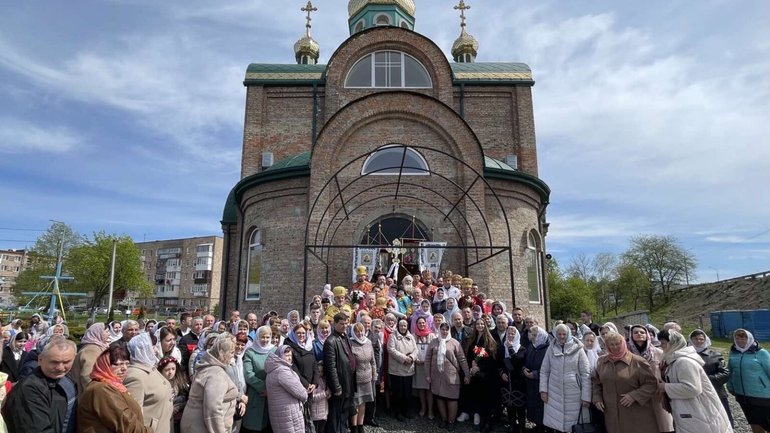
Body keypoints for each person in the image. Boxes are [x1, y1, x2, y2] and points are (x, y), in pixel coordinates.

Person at [657, 330, 733, 433]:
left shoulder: (684, 362)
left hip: (699, 410)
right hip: (692, 409)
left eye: (663, 343)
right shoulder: (674, 360)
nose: (660, 346)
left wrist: (664, 387)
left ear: (673, 343)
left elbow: (692, 389)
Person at [3, 336, 78, 433]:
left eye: (66, 362)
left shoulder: (67, 378)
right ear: (40, 360)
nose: (60, 367)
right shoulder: (29, 389)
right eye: (54, 362)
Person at [592, 331, 657, 433]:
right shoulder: (602, 362)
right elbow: (597, 383)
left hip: (635, 413)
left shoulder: (638, 361)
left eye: (617, 344)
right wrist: (597, 398)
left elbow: (651, 384)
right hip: (612, 413)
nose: (614, 347)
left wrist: (634, 395)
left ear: (623, 344)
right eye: (611, 344)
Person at [77, 345, 152, 433]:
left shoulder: (114, 386)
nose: (124, 368)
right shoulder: (101, 389)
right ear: (104, 365)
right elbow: (126, 423)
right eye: (118, 364)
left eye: (126, 364)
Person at [181, 333, 240, 433]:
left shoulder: (208, 367)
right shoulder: (216, 374)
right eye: (231, 352)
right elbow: (213, 410)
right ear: (222, 353)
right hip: (202, 428)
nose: (232, 356)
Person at [540, 323, 591, 433]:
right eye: (559, 334)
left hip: (574, 393)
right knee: (556, 424)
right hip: (554, 392)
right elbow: (544, 371)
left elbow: (585, 374)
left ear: (568, 334)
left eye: (564, 334)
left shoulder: (578, 349)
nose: (562, 336)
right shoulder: (551, 349)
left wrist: (586, 396)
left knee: (573, 426)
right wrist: (543, 390)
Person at [627, 324, 673, 433]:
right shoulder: (627, 354)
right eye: (636, 332)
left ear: (647, 335)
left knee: (663, 424)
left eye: (642, 332)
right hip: (638, 394)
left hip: (657, 394)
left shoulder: (658, 352)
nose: (639, 334)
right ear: (631, 335)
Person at [124, 332, 174, 433]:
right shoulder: (135, 377)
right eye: (152, 346)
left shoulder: (151, 368)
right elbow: (133, 416)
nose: (156, 350)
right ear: (143, 349)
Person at [424, 322, 469, 430]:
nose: (444, 331)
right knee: (440, 398)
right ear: (439, 330)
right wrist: (427, 375)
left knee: (451, 399)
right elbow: (427, 359)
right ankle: (444, 419)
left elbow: (462, 359)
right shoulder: (434, 342)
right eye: (442, 329)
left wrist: (467, 374)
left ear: (449, 331)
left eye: (446, 330)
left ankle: (451, 421)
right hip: (437, 375)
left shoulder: (455, 343)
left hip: (451, 375)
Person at [727, 328, 770, 433]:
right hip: (743, 396)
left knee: (767, 423)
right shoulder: (733, 353)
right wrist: (731, 386)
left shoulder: (761, 353)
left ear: (749, 338)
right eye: (737, 338)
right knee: (753, 422)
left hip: (762, 396)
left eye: (743, 338)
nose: (740, 341)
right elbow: (730, 372)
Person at [688, 329, 734, 428]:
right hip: (697, 394)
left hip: (717, 392)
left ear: (706, 340)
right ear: (690, 340)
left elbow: (725, 374)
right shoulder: (686, 356)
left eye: (701, 339)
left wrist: (706, 380)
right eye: (695, 339)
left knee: (724, 418)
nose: (699, 341)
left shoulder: (715, 355)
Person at [464, 314, 499, 432]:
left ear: (485, 325)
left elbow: (491, 358)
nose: (480, 325)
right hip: (475, 375)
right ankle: (479, 419)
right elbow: (470, 355)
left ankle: (487, 422)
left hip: (486, 375)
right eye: (478, 324)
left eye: (482, 324)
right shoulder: (473, 339)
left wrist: (479, 367)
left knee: (486, 399)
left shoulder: (489, 340)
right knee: (477, 397)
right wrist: (472, 365)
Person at [324, 312, 357, 433]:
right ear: (334, 324)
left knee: (345, 413)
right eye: (341, 324)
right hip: (340, 384)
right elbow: (330, 367)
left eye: (346, 324)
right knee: (336, 415)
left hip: (349, 382)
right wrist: (336, 387)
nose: (344, 326)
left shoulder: (345, 337)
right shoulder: (331, 341)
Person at [242, 325, 274, 433]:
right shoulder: (250, 352)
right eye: (262, 337)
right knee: (255, 426)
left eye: (267, 337)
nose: (265, 340)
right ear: (257, 337)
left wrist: (270, 389)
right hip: (256, 394)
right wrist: (263, 387)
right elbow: (248, 374)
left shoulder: (274, 350)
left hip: (272, 395)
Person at [388, 317, 419, 422]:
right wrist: (404, 358)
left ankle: (406, 411)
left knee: (407, 392)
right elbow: (391, 349)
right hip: (397, 370)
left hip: (408, 369)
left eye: (405, 325)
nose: (403, 327)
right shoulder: (393, 336)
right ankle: (397, 412)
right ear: (398, 326)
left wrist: (411, 358)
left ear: (407, 326)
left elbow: (415, 349)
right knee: (398, 393)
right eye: (401, 325)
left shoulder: (411, 337)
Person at [498, 325, 527, 433]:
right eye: (509, 333)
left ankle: (522, 427)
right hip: (506, 381)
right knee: (510, 406)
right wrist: (502, 373)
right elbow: (499, 363)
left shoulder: (521, 348)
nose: (510, 336)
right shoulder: (502, 347)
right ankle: (512, 425)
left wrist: (510, 349)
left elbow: (517, 363)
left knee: (519, 406)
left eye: (513, 334)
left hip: (518, 382)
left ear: (516, 335)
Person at [349, 322, 376, 432]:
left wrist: (374, 373)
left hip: (367, 377)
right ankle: (354, 426)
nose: (360, 333)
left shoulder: (368, 342)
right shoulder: (350, 343)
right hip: (356, 378)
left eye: (362, 331)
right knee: (355, 402)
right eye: (357, 331)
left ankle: (361, 425)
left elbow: (373, 361)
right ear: (353, 332)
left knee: (363, 402)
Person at [71, 323, 111, 394]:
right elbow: (88, 377)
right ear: (97, 333)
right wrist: (98, 394)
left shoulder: (96, 347)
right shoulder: (92, 350)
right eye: (106, 332)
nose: (109, 334)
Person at [412, 315, 436, 419]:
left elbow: (435, 350)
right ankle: (423, 408)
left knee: (429, 389)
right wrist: (415, 359)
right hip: (418, 366)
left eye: (423, 323)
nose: (421, 324)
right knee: (421, 389)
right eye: (419, 323)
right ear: (416, 325)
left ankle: (430, 410)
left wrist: (429, 361)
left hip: (429, 366)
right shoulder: (413, 336)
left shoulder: (431, 336)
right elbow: (411, 349)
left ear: (426, 324)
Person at [158, 357, 189, 433]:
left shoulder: (180, 383)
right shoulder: (157, 385)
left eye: (173, 369)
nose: (170, 372)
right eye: (167, 369)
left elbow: (187, 399)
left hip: (179, 418)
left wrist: (178, 407)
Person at [286, 323, 318, 392]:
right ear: (293, 334)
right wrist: (306, 384)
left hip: (311, 385)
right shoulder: (289, 346)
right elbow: (292, 366)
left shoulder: (308, 346)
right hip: (298, 385)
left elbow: (314, 364)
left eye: (303, 333)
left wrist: (315, 383)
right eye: (298, 333)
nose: (301, 335)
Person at [228, 333, 249, 433]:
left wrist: (243, 399)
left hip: (243, 398)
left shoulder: (246, 358)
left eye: (242, 345)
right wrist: (240, 396)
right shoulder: (228, 359)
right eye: (237, 344)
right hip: (231, 398)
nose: (239, 347)